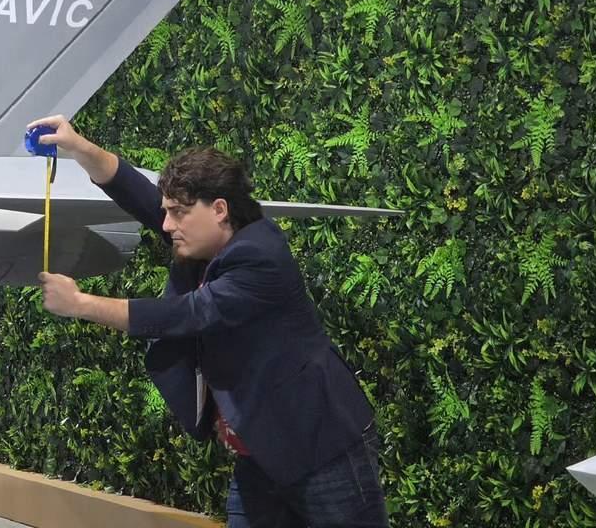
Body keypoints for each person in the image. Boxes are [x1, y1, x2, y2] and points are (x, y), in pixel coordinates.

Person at [30, 114, 388, 528]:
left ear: (219, 209)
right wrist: (77, 146)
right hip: (260, 452)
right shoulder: (204, 237)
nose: (167, 225)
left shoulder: (259, 257)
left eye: (178, 213)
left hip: (320, 446)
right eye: (166, 212)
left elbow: (188, 314)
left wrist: (79, 303)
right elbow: (133, 189)